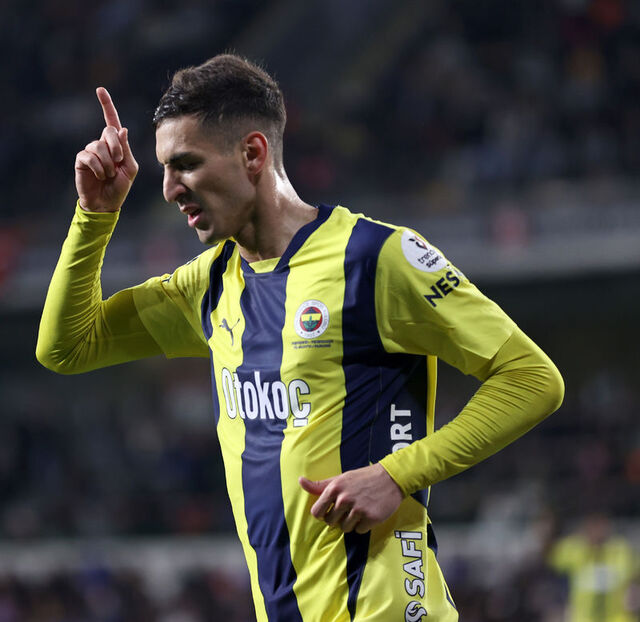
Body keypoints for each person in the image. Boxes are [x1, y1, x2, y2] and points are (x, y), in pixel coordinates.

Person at [37, 54, 564, 622]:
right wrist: (94, 215)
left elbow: (532, 378)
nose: (168, 189)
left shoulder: (374, 258)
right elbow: (66, 347)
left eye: (186, 164)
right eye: (165, 169)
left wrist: (397, 474)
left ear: (253, 153)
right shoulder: (210, 284)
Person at [549, 514, 639, 622]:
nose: (598, 532)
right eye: (594, 527)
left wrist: (634, 589)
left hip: (618, 618)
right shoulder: (575, 550)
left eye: (601, 527)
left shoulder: (621, 551)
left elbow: (635, 572)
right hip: (583, 618)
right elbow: (552, 558)